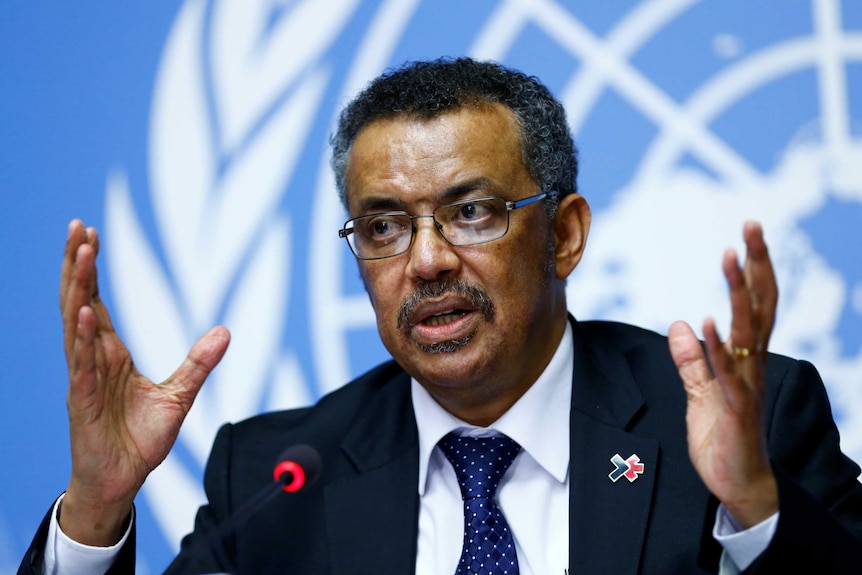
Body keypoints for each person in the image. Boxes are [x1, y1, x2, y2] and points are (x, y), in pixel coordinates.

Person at [19, 57, 862, 574]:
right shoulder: (276, 476)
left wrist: (755, 504)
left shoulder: (735, 427)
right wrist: (94, 512)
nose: (425, 262)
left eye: (472, 212)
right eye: (384, 226)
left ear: (564, 234)